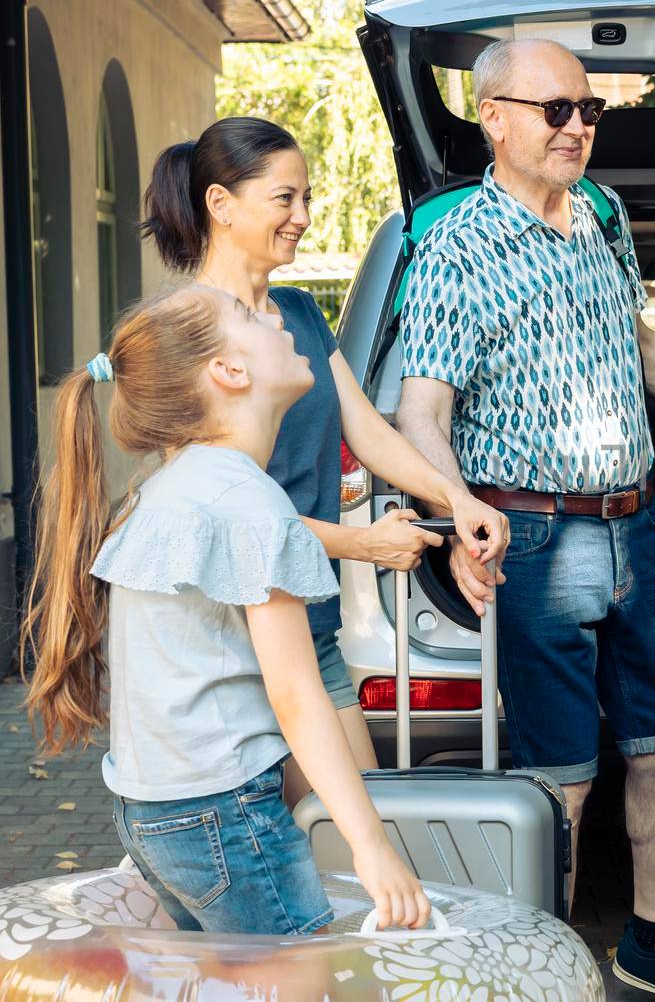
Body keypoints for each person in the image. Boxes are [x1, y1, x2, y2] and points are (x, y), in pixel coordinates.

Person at [395, 38, 655, 1002]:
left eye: (588, 110)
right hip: (532, 539)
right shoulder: (456, 242)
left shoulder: (604, 214)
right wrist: (458, 510)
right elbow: (424, 409)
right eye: (556, 111)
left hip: (636, 526)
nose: (578, 126)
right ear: (493, 117)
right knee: (561, 778)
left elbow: (635, 340)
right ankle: (544, 969)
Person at [20, 286, 431, 934]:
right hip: (222, 813)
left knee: (231, 981)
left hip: (150, 808)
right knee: (299, 978)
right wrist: (372, 845)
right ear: (231, 372)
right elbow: (297, 695)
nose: (272, 318)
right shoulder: (249, 502)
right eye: (249, 317)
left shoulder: (168, 489)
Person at [142, 118, 509, 803]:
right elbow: (218, 518)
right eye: (284, 198)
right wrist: (363, 542)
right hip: (227, 644)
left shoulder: (299, 314)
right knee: (280, 858)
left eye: (306, 198)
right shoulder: (185, 332)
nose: (303, 217)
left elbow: (371, 433)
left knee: (356, 829)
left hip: (309, 626)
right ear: (221, 205)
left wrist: (456, 500)